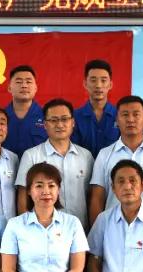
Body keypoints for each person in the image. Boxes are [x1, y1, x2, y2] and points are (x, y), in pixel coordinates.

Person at [89, 95, 143, 227]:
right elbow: (97, 198)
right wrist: (98, 231)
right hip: (113, 229)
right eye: (125, 115)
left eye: (136, 114)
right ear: (117, 120)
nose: (130, 119)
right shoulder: (104, 154)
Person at [16, 98, 95, 229]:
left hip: (79, 230)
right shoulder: (31, 156)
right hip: (42, 230)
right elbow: (23, 197)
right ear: (45, 125)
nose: (59, 124)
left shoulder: (86, 156)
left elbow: (92, 196)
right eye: (53, 120)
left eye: (64, 119)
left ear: (73, 122)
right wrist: (26, 231)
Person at [72, 59, 119, 157]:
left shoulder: (120, 115)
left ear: (110, 84)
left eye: (103, 80)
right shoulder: (74, 117)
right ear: (85, 84)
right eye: (93, 80)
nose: (98, 85)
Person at [3, 65, 48, 157]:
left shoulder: (47, 116)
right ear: (9, 88)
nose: (24, 86)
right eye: (18, 82)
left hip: (39, 165)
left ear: (35, 88)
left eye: (29, 82)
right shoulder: (0, 117)